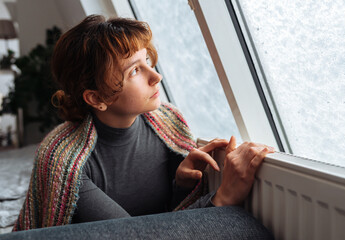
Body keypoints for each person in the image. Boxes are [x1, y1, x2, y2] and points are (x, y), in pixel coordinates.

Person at [11, 15, 274, 238]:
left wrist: (180, 187)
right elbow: (134, 234)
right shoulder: (63, 161)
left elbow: (166, 219)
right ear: (97, 98)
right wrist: (223, 199)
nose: (156, 76)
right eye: (134, 71)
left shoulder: (169, 122)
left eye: (147, 60)